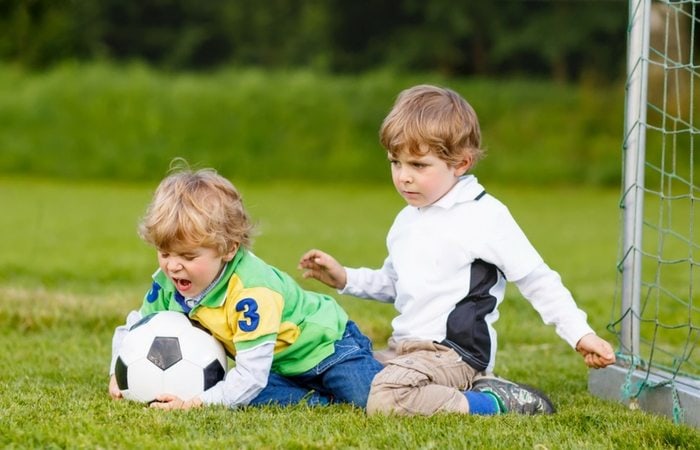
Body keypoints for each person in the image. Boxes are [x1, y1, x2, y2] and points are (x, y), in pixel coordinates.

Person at [298, 84, 616, 416]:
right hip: (405, 352)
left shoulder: (484, 216)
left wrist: (581, 335)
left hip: (455, 356)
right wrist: (344, 278)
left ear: (461, 163)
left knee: (387, 398)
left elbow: (537, 280)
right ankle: (396, 389)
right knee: (337, 366)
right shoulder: (407, 219)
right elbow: (396, 284)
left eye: (418, 165)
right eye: (396, 162)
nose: (403, 177)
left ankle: (495, 401)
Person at [108, 160, 383, 410]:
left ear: (228, 249)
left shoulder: (252, 292)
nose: (173, 265)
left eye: (189, 256)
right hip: (274, 367)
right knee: (244, 395)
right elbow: (135, 326)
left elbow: (250, 375)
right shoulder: (169, 280)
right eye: (165, 253)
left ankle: (401, 369)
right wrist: (117, 373)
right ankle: (319, 397)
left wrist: (196, 403)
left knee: (372, 400)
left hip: (328, 350)